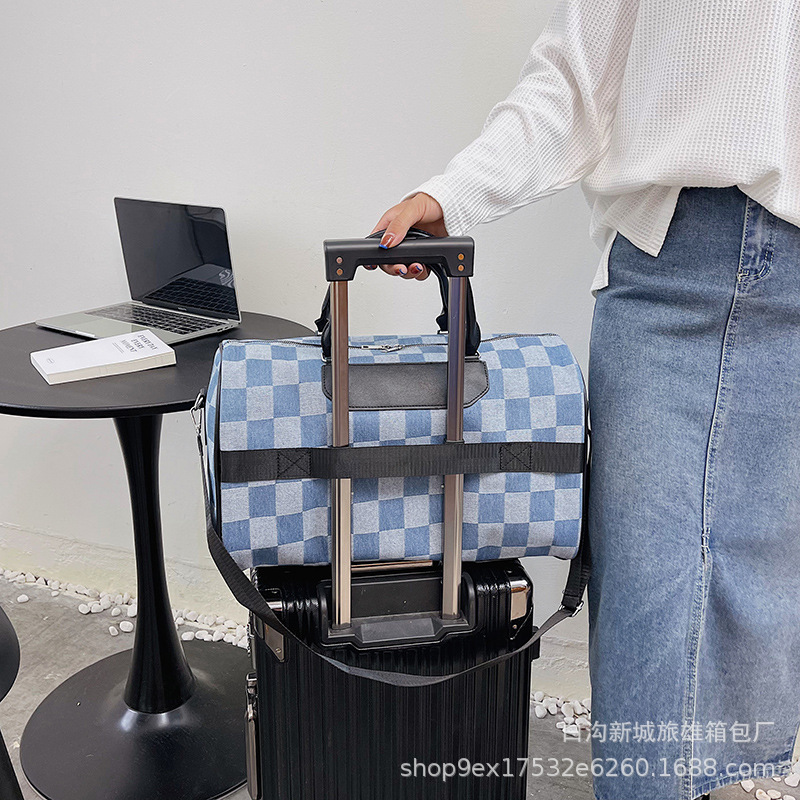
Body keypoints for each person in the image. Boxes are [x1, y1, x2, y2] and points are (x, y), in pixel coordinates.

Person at [369, 1, 800, 799]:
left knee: (768, 586)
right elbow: (573, 77)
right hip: (671, 265)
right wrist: (453, 194)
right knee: (647, 591)